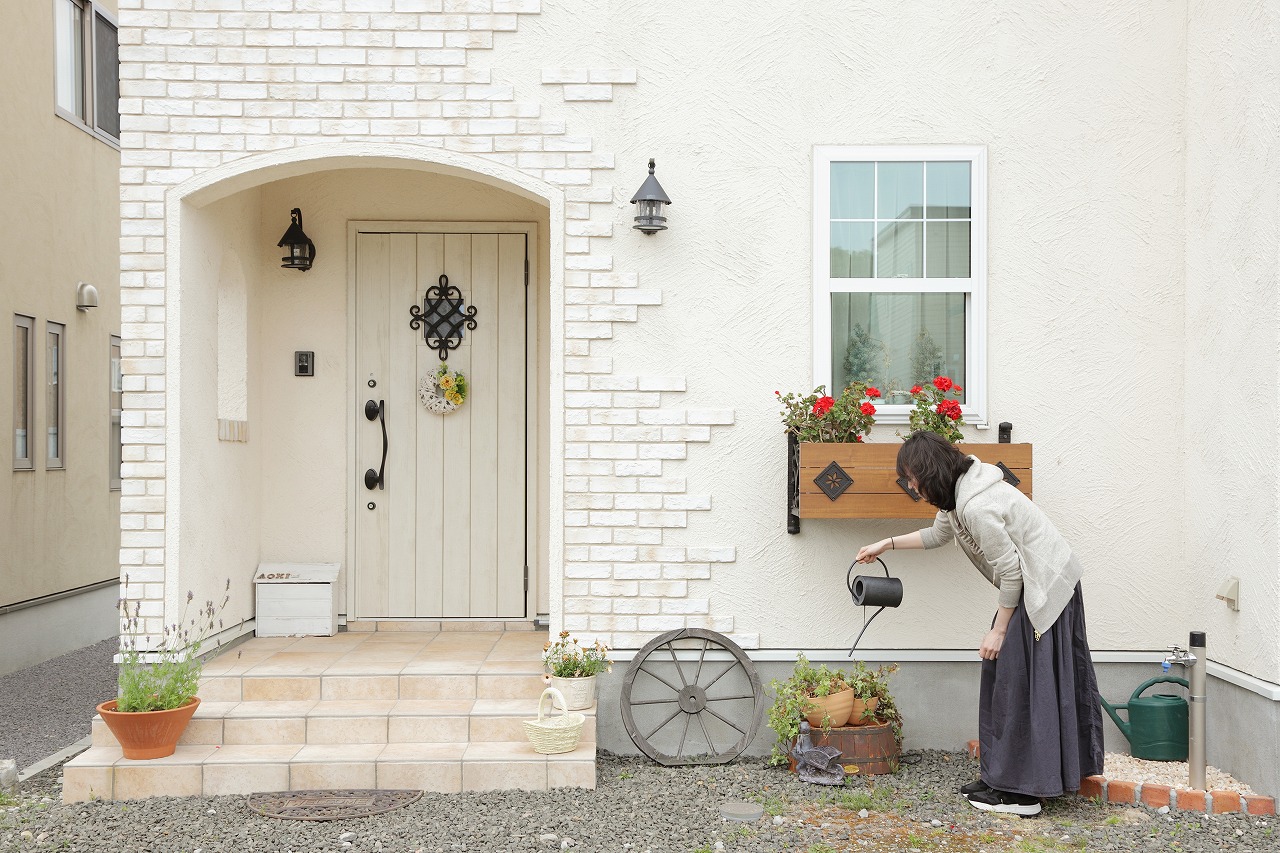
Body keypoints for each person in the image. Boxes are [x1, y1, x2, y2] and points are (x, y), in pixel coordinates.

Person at [855, 430, 1104, 817]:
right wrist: (884, 544)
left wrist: (999, 629)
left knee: (1019, 683)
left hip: (1044, 586)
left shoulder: (976, 505)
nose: (910, 485)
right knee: (1008, 678)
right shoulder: (958, 492)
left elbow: (1011, 571)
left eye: (910, 477)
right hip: (1031, 583)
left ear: (927, 471)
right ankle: (1003, 779)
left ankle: (1023, 794)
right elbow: (938, 535)